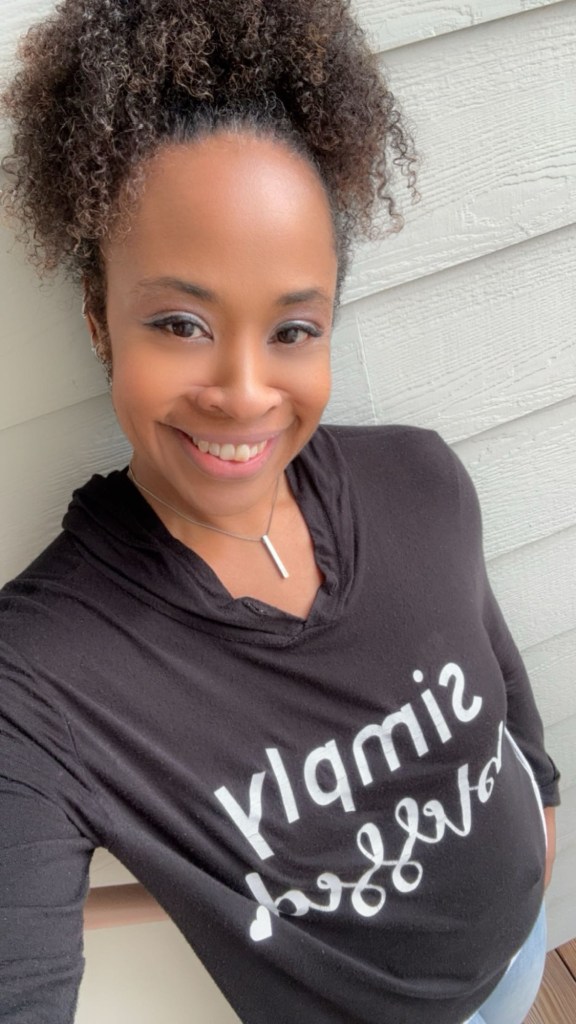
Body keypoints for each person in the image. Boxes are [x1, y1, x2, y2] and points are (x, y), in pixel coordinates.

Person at [0, 1, 559, 1022]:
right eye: (181, 322)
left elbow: (503, 693)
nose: (244, 392)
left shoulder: (422, 480)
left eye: (294, 329)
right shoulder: (38, 678)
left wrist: (546, 804)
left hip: (529, 954)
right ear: (99, 319)